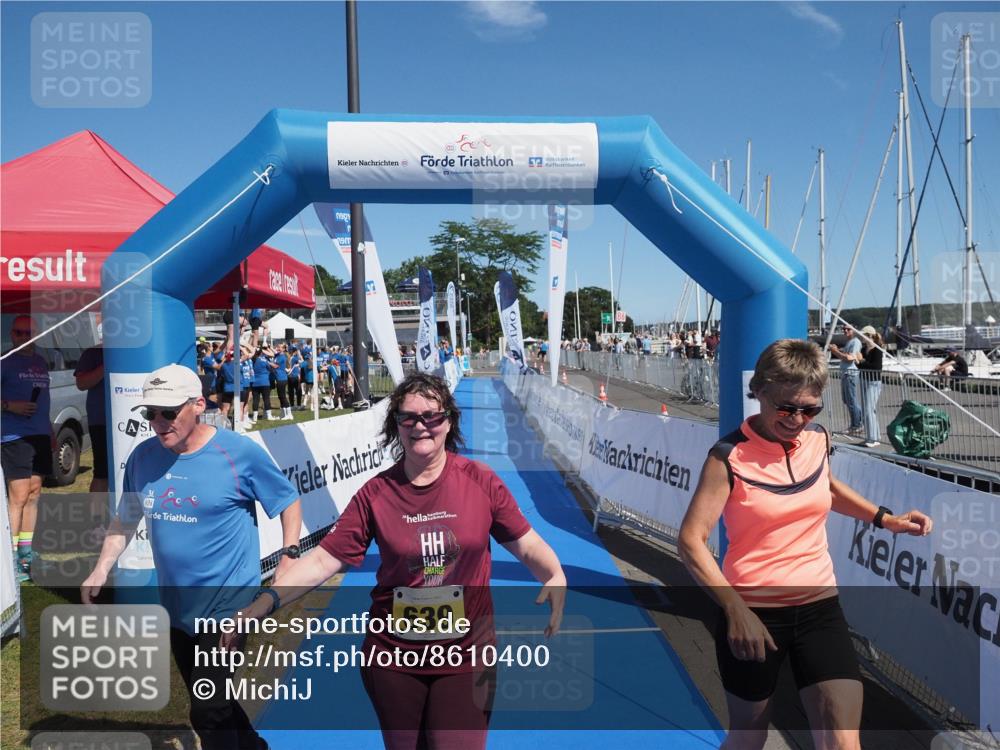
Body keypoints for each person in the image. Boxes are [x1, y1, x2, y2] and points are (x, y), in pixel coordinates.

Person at [224, 372, 565, 750]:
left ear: (448, 421)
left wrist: (555, 574)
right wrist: (265, 602)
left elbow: (526, 544)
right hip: (394, 659)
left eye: (431, 416)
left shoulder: (481, 481)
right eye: (409, 417)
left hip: (468, 655)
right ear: (396, 425)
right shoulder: (376, 493)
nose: (421, 426)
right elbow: (322, 561)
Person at [678, 339, 932, 750]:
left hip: (819, 608)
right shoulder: (727, 457)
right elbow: (691, 541)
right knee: (749, 738)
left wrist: (884, 518)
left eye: (810, 409)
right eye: (786, 408)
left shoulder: (817, 438)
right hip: (754, 612)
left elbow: (825, 487)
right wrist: (734, 609)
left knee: (843, 742)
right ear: (759, 391)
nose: (798, 419)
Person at [82, 364, 303, 750]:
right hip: (178, 607)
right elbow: (126, 518)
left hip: (229, 605)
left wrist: (289, 554)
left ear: (198, 405)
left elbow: (287, 500)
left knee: (207, 712)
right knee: (216, 702)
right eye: (150, 413)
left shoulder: (238, 453)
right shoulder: (142, 458)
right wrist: (101, 568)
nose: (158, 422)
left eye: (169, 412)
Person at [1, 315, 52, 582]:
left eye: (28, 333)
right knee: (18, 496)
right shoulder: (4, 361)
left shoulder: (41, 362)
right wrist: (11, 406)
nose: (23, 337)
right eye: (18, 333)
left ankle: (25, 553)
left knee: (34, 492)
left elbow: (45, 400)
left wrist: (50, 430)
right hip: (14, 435)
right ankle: (9, 559)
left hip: (40, 434)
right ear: (12, 334)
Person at [829, 325, 863, 436]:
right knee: (847, 400)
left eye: (848, 329)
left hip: (850, 374)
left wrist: (835, 351)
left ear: (854, 330)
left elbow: (849, 358)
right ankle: (857, 423)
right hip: (845, 374)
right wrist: (837, 350)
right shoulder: (849, 342)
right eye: (844, 329)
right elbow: (845, 355)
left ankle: (857, 425)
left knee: (851, 400)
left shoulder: (855, 342)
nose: (845, 330)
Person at [857, 326, 884, 448]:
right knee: (867, 409)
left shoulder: (877, 349)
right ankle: (873, 436)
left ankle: (873, 438)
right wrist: (858, 361)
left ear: (869, 336)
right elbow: (860, 366)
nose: (861, 337)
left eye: (863, 335)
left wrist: (861, 361)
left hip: (873, 382)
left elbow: (877, 367)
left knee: (869, 409)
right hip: (864, 379)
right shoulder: (864, 349)